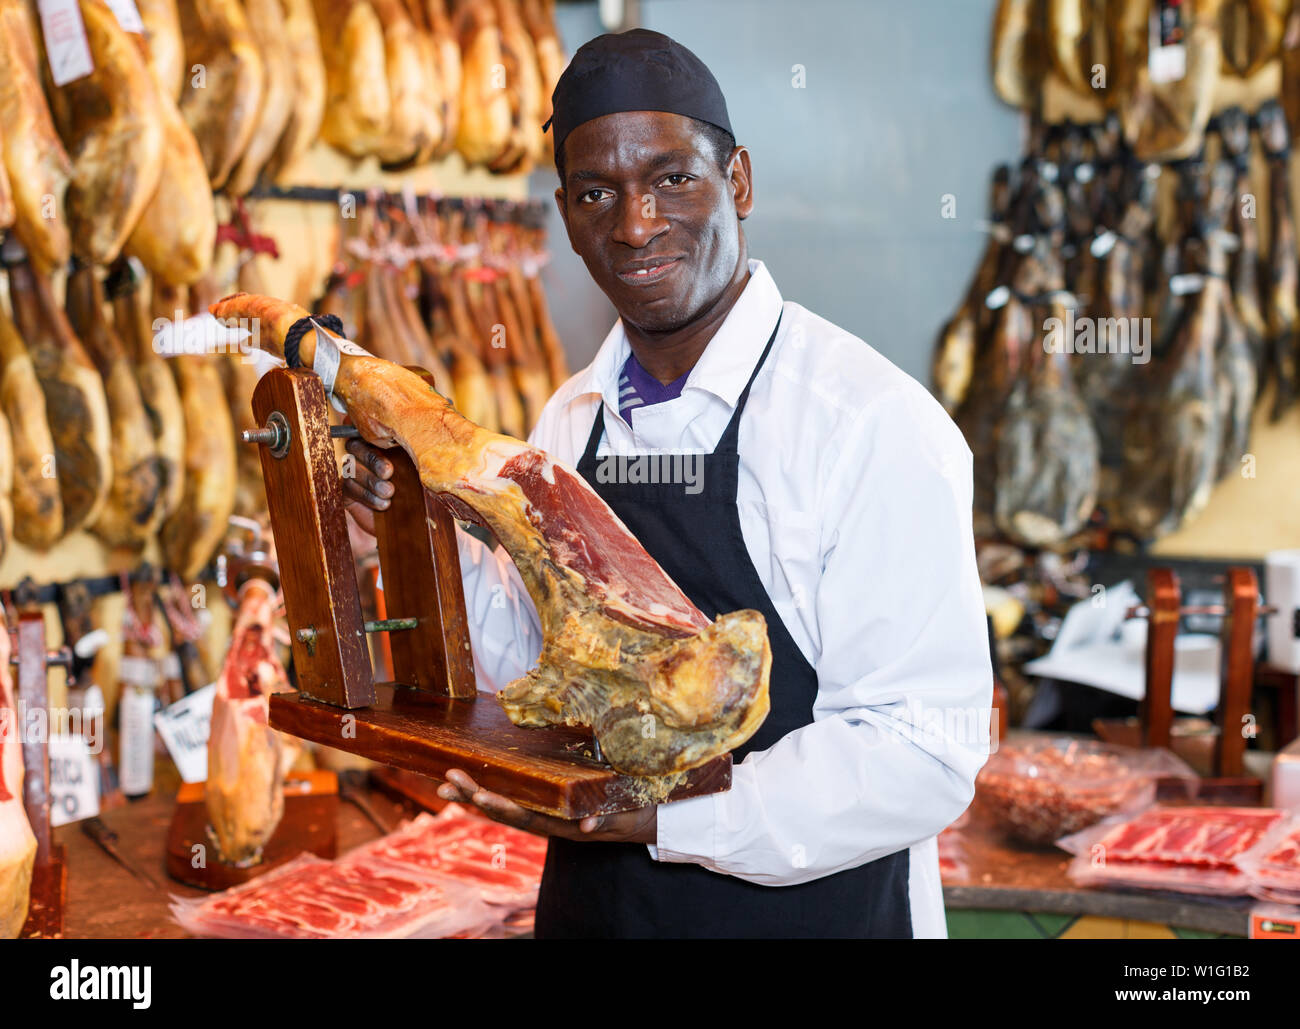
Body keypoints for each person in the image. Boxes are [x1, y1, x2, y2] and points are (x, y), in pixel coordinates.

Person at [343, 29, 991, 938]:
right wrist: (406, 537)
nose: (636, 223)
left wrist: (664, 819)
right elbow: (526, 672)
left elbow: (923, 750)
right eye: (597, 192)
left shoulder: (869, 423)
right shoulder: (568, 421)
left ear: (741, 182)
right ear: (566, 217)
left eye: (672, 178)